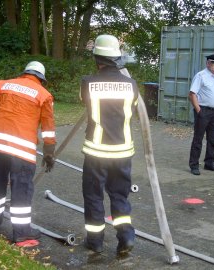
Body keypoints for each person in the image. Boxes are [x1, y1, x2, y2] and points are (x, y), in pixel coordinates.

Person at [0, 61, 56, 247]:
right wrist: (49, 153)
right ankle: (21, 234)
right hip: (21, 150)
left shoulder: (3, 85)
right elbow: (48, 129)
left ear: (25, 73)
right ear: (41, 79)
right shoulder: (44, 95)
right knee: (22, 190)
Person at [80, 34, 139, 255]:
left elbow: (83, 101)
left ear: (97, 58)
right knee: (119, 195)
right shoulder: (131, 85)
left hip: (96, 151)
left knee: (94, 195)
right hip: (123, 152)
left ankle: (95, 242)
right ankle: (126, 236)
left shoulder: (87, 83)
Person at [188, 53, 214, 175]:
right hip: (203, 110)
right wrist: (199, 110)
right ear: (208, 63)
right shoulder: (201, 76)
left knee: (212, 138)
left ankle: (209, 163)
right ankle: (194, 165)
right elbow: (192, 94)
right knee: (198, 139)